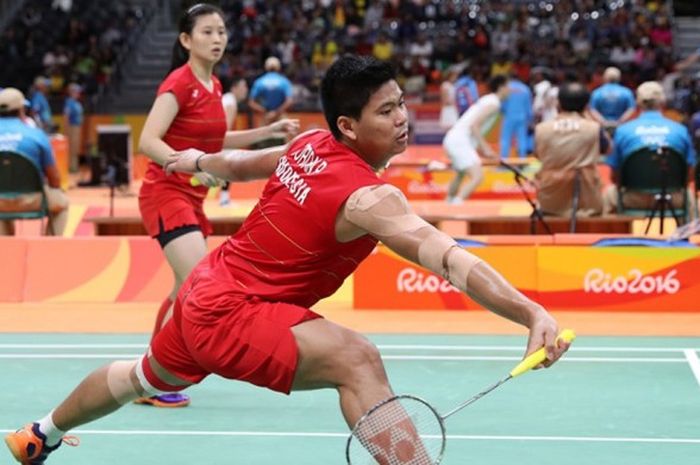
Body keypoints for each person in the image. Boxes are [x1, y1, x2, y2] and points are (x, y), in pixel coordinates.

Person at [4, 55, 570, 465]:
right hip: (234, 308)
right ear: (349, 126)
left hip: (207, 287)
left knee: (141, 376)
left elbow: (243, 165)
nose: (401, 118)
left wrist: (193, 159)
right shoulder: (371, 196)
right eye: (386, 111)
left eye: (401, 104)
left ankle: (38, 434)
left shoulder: (309, 145)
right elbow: (449, 259)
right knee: (357, 359)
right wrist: (529, 313)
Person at [136, 3, 298, 408]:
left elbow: (216, 141)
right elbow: (148, 141)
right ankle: (157, 375)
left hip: (193, 196)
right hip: (166, 193)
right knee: (194, 283)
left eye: (222, 32)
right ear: (186, 40)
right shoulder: (179, 83)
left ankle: (151, 377)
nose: (217, 39)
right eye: (207, 32)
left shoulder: (214, 87)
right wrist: (189, 164)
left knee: (182, 287)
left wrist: (270, 132)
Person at [604, 81, 697, 213]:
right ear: (663, 102)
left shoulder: (622, 131)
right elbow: (689, 175)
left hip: (633, 198)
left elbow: (614, 177)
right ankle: (688, 233)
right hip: (673, 198)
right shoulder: (681, 130)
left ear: (637, 103)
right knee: (691, 198)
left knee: (608, 194)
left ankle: (615, 233)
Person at [534, 82, 609, 217]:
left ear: (558, 105)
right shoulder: (594, 128)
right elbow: (608, 150)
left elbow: (539, 155)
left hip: (550, 200)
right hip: (588, 202)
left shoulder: (542, 129)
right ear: (586, 106)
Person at [0, 88, 69, 236]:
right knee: (62, 203)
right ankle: (49, 245)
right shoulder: (37, 136)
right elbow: (55, 180)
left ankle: (5, 247)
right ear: (22, 110)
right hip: (33, 199)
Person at [443, 74, 510, 204]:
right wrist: (486, 149)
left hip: (454, 139)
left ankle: (448, 204)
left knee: (460, 174)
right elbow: (475, 125)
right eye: (507, 86)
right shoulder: (494, 103)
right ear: (501, 87)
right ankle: (456, 209)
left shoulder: (488, 100)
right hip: (459, 141)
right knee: (477, 176)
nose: (510, 90)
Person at [219, 76, 250, 206]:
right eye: (243, 87)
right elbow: (225, 127)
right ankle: (224, 199)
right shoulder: (230, 102)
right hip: (218, 139)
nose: (246, 90)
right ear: (234, 88)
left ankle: (224, 198)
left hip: (215, 138)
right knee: (229, 164)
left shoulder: (227, 98)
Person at [248, 56, 294, 126]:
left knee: (262, 135)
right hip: (280, 117)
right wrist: (276, 112)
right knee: (287, 134)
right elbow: (289, 101)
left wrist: (265, 111)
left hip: (266, 117)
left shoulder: (260, 81)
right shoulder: (284, 81)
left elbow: (251, 103)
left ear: (266, 67)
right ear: (279, 67)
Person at [588, 67, 636, 133]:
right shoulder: (627, 92)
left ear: (605, 77)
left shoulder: (597, 92)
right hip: (621, 127)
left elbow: (592, 109)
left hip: (602, 128)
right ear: (619, 78)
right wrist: (620, 122)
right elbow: (631, 109)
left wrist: (604, 122)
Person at [500, 75, 533, 158]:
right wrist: (530, 119)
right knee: (522, 139)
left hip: (509, 116)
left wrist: (502, 111)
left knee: (505, 139)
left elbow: (502, 103)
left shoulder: (506, 88)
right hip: (522, 117)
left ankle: (504, 160)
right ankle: (522, 160)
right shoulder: (525, 89)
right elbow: (528, 106)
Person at [62, 83, 83, 173]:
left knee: (75, 148)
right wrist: (66, 130)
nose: (78, 94)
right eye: (77, 92)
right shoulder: (69, 102)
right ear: (72, 92)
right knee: (71, 148)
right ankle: (71, 167)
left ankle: (74, 166)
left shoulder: (76, 103)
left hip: (77, 127)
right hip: (72, 127)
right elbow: (66, 116)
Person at [438, 66, 459, 130]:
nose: (455, 78)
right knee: (449, 128)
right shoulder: (445, 85)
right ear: (450, 76)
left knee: (454, 128)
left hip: (453, 108)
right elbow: (444, 100)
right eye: (454, 76)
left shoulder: (454, 85)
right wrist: (453, 103)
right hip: (448, 109)